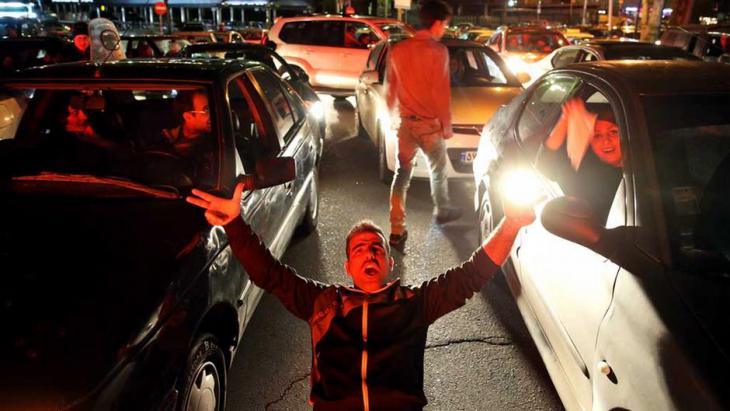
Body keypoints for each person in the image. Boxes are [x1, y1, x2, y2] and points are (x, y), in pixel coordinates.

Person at [185, 178, 537, 411]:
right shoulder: (323, 304)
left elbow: (471, 275)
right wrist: (234, 223)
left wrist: (512, 223)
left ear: (389, 264)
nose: (369, 254)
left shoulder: (414, 304)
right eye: (359, 250)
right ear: (348, 268)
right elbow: (269, 274)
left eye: (377, 249)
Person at [385, 0, 462, 253]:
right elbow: (441, 92)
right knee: (438, 171)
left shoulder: (398, 50)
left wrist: (393, 117)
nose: (445, 29)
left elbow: (391, 91)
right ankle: (442, 210)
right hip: (429, 127)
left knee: (402, 175)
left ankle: (397, 229)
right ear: (437, 23)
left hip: (406, 125)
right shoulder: (437, 51)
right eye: (446, 24)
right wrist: (447, 124)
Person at [536, 97, 623, 222]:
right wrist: (565, 119)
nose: (606, 140)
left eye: (613, 132)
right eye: (597, 135)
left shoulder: (646, 164)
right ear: (591, 142)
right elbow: (544, 166)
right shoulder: (585, 173)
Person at [161, 91, 211, 156]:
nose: (215, 113)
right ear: (188, 117)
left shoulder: (216, 138)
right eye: (206, 110)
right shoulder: (165, 138)